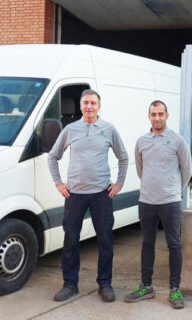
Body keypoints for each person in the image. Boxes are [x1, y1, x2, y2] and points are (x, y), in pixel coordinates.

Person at [48, 89, 128, 303]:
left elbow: (124, 157)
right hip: (75, 194)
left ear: (99, 106)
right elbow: (53, 156)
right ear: (80, 106)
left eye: (93, 103)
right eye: (85, 103)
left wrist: (119, 183)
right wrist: (58, 183)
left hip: (101, 194)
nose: (89, 106)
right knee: (71, 240)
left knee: (105, 241)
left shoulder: (109, 129)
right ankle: (69, 284)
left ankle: (105, 284)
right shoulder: (71, 129)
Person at [124, 100, 191, 309]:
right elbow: (141, 169)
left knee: (174, 244)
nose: (157, 118)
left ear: (167, 116)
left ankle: (175, 289)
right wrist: (152, 187)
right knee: (147, 243)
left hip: (170, 201)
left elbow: (186, 170)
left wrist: (172, 189)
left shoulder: (178, 141)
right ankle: (146, 286)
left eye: (160, 114)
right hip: (147, 201)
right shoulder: (142, 141)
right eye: (153, 114)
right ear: (149, 116)